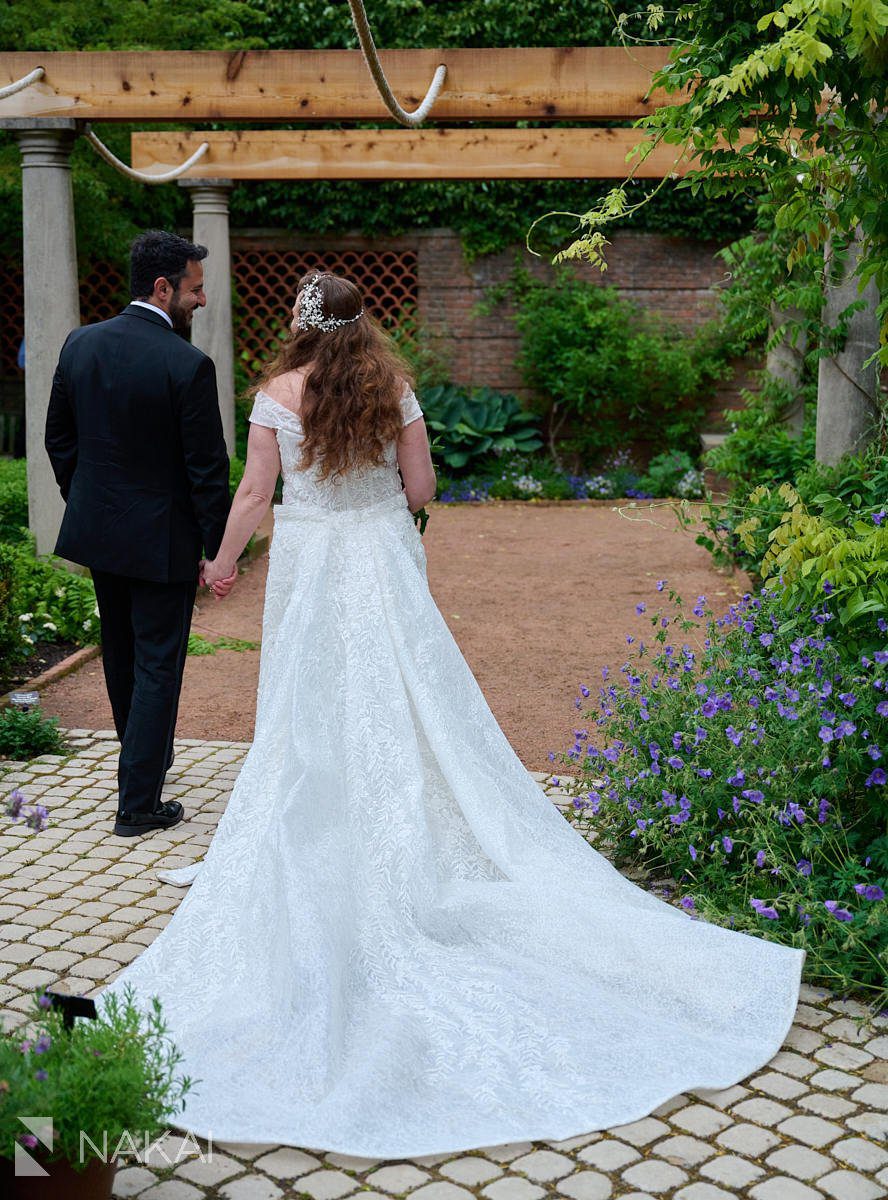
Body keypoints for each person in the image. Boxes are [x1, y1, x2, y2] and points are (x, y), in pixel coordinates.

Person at [98, 271, 803, 1158]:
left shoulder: (277, 394)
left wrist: (223, 564)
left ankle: (326, 824)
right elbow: (423, 489)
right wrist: (376, 496)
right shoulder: (393, 389)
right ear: (367, 325)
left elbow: (253, 494)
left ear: (304, 326)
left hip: (315, 570)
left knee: (308, 707)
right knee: (407, 697)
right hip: (383, 562)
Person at [45, 230, 233, 838]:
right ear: (163, 287)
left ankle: (142, 765)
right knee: (157, 664)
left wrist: (92, 504)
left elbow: (59, 441)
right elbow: (208, 471)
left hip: (103, 536)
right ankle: (139, 804)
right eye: (195, 289)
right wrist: (217, 549)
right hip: (163, 543)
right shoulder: (188, 364)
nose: (201, 301)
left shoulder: (80, 344)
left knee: (123, 657)